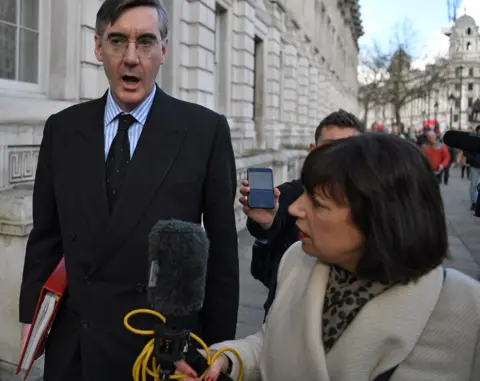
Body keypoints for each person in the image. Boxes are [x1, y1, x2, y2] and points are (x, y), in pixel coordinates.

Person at [18, 1, 239, 380]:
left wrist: (217, 349)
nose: (132, 58)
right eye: (118, 41)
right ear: (98, 47)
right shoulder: (62, 129)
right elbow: (46, 237)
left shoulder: (205, 132)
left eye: (146, 42)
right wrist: (31, 320)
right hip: (76, 350)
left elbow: (220, 255)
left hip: (161, 353)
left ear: (164, 50)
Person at [176, 133, 480, 381]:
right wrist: (229, 359)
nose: (295, 208)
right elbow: (273, 345)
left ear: (377, 219)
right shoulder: (298, 260)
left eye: (318, 203)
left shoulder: (465, 309)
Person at [241, 110, 364, 317]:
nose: (338, 157)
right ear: (312, 150)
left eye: (347, 149)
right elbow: (264, 270)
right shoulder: (291, 195)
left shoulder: (373, 207)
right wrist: (266, 226)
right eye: (329, 147)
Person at [464, 125, 480, 212]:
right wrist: (469, 159)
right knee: (473, 185)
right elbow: (466, 151)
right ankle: (474, 203)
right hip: (474, 166)